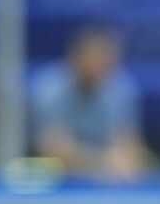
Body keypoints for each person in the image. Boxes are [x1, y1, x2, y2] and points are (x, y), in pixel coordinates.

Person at [31, 27, 148, 179]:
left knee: (144, 161)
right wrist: (102, 162)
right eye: (91, 60)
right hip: (51, 178)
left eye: (103, 60)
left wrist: (124, 159)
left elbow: (127, 144)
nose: (96, 67)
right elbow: (51, 149)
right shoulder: (48, 89)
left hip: (107, 177)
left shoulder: (122, 89)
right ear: (74, 59)